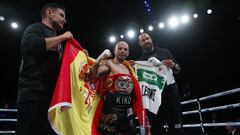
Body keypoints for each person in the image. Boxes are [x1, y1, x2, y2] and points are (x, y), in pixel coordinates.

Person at [16, 2, 73, 135]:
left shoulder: (56, 39)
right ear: (49, 13)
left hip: (50, 97)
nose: (64, 19)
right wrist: (63, 37)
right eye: (61, 15)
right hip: (33, 93)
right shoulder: (35, 28)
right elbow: (31, 46)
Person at [89, 41, 146, 135]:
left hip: (127, 109)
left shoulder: (129, 68)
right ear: (114, 50)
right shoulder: (108, 64)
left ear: (128, 52)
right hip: (110, 109)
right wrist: (99, 60)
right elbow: (93, 77)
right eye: (120, 48)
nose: (123, 51)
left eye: (125, 49)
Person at [137, 32, 183, 135]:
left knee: (177, 128)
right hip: (153, 100)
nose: (146, 41)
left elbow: (178, 68)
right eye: (143, 40)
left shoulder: (165, 52)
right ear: (140, 44)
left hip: (171, 96)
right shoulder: (139, 62)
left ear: (151, 39)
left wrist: (174, 65)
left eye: (147, 38)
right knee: (157, 129)